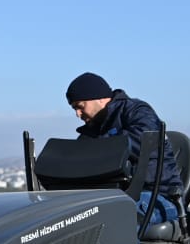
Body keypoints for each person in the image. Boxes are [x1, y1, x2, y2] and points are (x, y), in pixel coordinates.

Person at [65, 72, 182, 225]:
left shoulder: (137, 111)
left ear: (99, 98)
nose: (77, 114)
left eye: (80, 107)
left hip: (157, 197)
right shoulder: (92, 130)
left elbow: (144, 141)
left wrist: (98, 146)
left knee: (119, 219)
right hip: (116, 197)